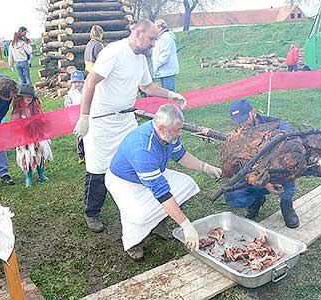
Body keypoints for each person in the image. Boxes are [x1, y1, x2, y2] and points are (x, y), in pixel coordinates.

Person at [73, 19, 189, 233]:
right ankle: (92, 212)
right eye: (151, 38)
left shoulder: (140, 59)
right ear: (138, 33)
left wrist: (170, 94)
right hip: (101, 121)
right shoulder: (113, 52)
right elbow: (89, 82)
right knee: (97, 168)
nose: (154, 43)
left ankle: (149, 212)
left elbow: (147, 86)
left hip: (125, 119)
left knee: (137, 163)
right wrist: (84, 117)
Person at [105, 104, 222, 260]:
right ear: (161, 128)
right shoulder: (142, 149)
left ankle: (159, 223)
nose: (180, 133)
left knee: (187, 184)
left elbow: (180, 155)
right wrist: (186, 225)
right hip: (124, 181)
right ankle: (133, 242)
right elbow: (162, 193)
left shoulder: (170, 133)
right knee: (138, 216)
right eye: (177, 130)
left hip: (153, 173)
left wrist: (205, 167)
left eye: (181, 128)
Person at [225, 99, 299, 228]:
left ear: (253, 112)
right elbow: (241, 165)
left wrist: (274, 138)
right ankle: (256, 200)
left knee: (289, 180)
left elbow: (286, 130)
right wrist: (265, 184)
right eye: (238, 122)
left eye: (244, 120)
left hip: (276, 172)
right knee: (233, 197)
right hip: (253, 173)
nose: (242, 125)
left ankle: (286, 205)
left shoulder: (276, 123)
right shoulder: (239, 133)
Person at [11, 84, 53, 187]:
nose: (28, 98)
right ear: (21, 97)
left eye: (30, 96)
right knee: (27, 157)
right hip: (25, 138)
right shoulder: (17, 111)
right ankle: (28, 177)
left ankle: (41, 173)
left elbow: (43, 118)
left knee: (40, 154)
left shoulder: (36, 108)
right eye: (26, 96)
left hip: (38, 136)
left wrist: (42, 120)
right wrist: (24, 124)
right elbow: (15, 124)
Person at [152, 19, 179, 92]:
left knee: (169, 92)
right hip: (163, 70)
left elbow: (165, 56)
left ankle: (172, 103)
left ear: (160, 27)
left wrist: (156, 66)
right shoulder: (161, 38)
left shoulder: (166, 38)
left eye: (155, 28)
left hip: (167, 70)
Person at [64, 70, 85, 164]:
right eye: (75, 82)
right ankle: (81, 155)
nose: (77, 84)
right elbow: (67, 107)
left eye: (79, 82)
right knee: (80, 137)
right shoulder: (70, 94)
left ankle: (90, 153)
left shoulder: (87, 90)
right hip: (76, 119)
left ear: (83, 82)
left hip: (87, 116)